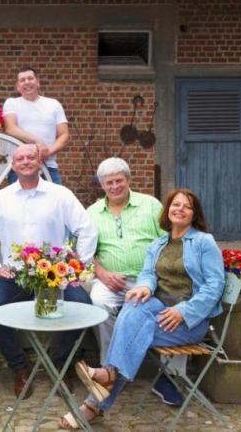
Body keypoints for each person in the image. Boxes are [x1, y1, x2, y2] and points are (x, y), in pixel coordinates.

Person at [61, 189, 225, 429]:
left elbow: (215, 285)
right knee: (134, 301)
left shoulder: (203, 242)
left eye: (186, 206)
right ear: (167, 210)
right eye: (175, 204)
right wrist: (144, 288)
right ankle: (106, 380)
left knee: (133, 334)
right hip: (158, 309)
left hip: (189, 321)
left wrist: (184, 311)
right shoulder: (159, 243)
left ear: (194, 214)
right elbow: (147, 274)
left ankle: (94, 401)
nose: (179, 209)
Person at [0, 144, 97, 399]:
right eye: (20, 158)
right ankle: (20, 367)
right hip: (16, 275)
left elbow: (87, 230)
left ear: (39, 162)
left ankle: (61, 363)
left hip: (55, 276)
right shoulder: (1, 198)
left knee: (83, 307)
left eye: (30, 157)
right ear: (12, 165)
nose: (25, 162)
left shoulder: (61, 195)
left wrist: (77, 267)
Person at [86, 157, 180, 405]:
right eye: (109, 183)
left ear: (128, 180)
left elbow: (170, 242)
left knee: (145, 313)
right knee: (98, 301)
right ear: (102, 185)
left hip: (149, 280)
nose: (114, 186)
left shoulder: (150, 205)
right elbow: (84, 253)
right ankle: (112, 368)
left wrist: (152, 278)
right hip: (110, 281)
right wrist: (103, 274)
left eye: (119, 180)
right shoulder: (92, 212)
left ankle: (155, 374)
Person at [3, 66, 70, 185]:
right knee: (19, 203)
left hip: (48, 166)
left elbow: (64, 135)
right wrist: (37, 141)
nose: (27, 82)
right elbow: (10, 128)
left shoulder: (54, 104)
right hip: (21, 167)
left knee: (55, 202)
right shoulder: (11, 103)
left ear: (38, 82)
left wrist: (47, 152)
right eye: (22, 80)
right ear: (18, 86)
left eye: (30, 78)